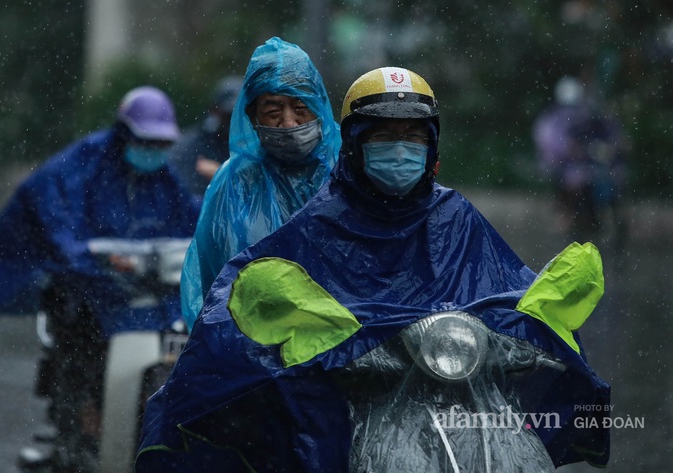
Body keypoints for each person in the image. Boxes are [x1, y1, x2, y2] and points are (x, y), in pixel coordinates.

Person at [136, 67, 611, 472]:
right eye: (383, 136)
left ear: (433, 146)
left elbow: (507, 288)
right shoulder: (321, 224)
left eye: (413, 136)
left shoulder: (455, 216)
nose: (400, 150)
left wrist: (527, 324)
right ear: (354, 144)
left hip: (461, 401)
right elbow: (249, 301)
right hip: (353, 406)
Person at [0, 86, 201, 472]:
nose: (154, 150)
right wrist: (95, 258)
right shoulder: (77, 168)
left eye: (162, 143)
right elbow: (59, 230)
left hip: (140, 292)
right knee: (82, 345)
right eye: (146, 141)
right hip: (82, 291)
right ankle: (82, 423)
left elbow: (192, 220)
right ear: (124, 133)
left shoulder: (163, 177)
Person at [180, 36, 341, 329]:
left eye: (300, 107)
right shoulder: (233, 183)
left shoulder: (348, 167)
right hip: (257, 346)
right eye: (273, 111)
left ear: (319, 106)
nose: (289, 123)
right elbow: (213, 282)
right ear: (253, 119)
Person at [532, 76, 629, 245]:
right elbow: (555, 146)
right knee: (579, 195)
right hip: (570, 169)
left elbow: (606, 138)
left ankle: (594, 224)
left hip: (587, 168)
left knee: (597, 193)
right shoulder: (556, 119)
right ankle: (578, 222)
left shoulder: (574, 115)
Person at [168, 75, 242, 196]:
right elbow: (186, 199)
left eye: (239, 114)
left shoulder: (255, 146)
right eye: (229, 115)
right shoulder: (191, 146)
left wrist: (223, 177)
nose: (234, 121)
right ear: (215, 111)